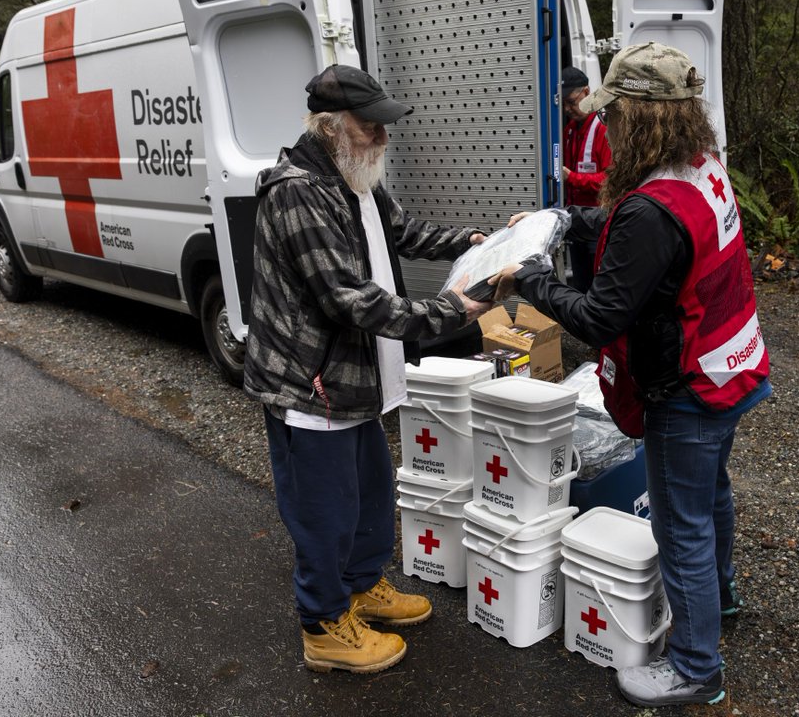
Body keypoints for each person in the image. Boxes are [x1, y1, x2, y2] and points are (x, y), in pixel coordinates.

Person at [491, 42, 771, 707]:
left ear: (640, 116)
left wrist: (529, 278)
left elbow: (596, 315)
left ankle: (696, 666)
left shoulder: (653, 206)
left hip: (687, 389)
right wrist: (556, 220)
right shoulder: (699, 167)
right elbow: (630, 232)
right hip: (732, 367)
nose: (606, 125)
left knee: (681, 527)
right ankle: (720, 599)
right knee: (712, 497)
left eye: (613, 114)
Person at [244, 64, 492, 675]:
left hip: (358, 377)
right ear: (330, 127)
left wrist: (477, 241)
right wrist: (450, 311)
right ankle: (324, 624)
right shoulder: (299, 191)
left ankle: (361, 588)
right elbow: (347, 299)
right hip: (313, 387)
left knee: (372, 496)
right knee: (324, 510)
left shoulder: (355, 180)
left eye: (384, 126)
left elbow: (405, 232)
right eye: (370, 127)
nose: (382, 138)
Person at [561, 65, 612, 292]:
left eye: (572, 102)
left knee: (598, 286)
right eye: (563, 104)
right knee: (580, 284)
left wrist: (572, 178)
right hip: (576, 222)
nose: (568, 109)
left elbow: (610, 178)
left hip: (598, 223)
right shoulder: (570, 130)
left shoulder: (603, 128)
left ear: (587, 92)